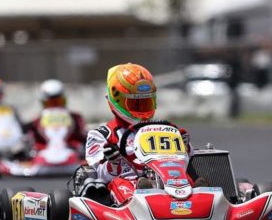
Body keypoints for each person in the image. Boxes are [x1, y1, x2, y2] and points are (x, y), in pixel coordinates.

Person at [82, 63, 203, 205]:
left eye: (145, 103)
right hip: (129, 185)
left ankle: (200, 195)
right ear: (117, 99)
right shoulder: (101, 134)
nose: (142, 110)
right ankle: (140, 200)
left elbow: (182, 164)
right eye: (135, 104)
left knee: (185, 178)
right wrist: (113, 163)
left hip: (167, 181)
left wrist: (185, 146)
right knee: (121, 184)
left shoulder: (164, 128)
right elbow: (99, 175)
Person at [24, 79, 86, 154]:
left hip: (72, 152)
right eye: (50, 102)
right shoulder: (36, 120)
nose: (55, 105)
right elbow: (30, 139)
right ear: (43, 102)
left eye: (58, 101)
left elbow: (83, 135)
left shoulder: (75, 117)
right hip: (43, 153)